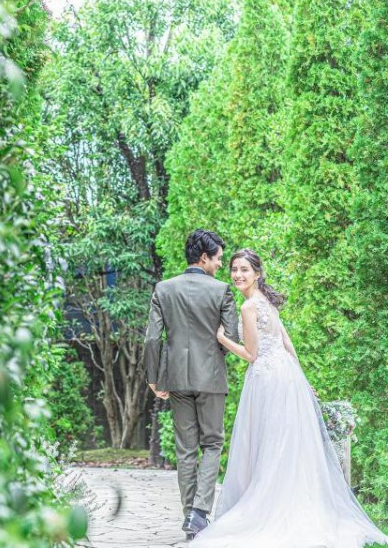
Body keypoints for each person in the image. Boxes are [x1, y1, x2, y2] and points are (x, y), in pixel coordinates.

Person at [190, 248, 388, 548]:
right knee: (286, 443)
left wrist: (221, 338)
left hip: (266, 379)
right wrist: (302, 378)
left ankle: (271, 506)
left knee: (268, 443)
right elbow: (286, 342)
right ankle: (293, 501)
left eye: (244, 269)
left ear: (257, 273)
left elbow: (251, 354)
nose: (237, 274)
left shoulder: (249, 307)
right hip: (286, 375)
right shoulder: (266, 301)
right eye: (234, 269)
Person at [144, 230, 252, 541]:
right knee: (213, 443)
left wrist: (153, 378)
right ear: (204, 257)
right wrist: (212, 359)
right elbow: (230, 337)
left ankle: (189, 515)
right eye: (218, 259)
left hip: (176, 378)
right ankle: (200, 512)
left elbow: (152, 339)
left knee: (185, 448)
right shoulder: (221, 291)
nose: (220, 265)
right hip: (211, 378)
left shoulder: (163, 288)